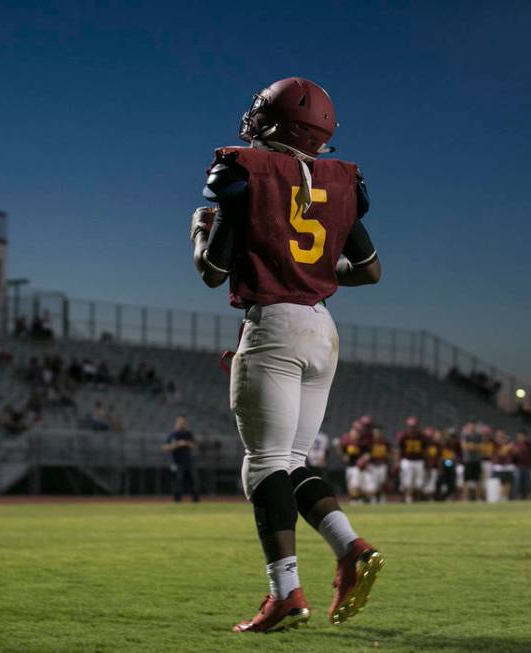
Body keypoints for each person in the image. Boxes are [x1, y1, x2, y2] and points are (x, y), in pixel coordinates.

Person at [191, 77, 383, 632]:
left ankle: (285, 594)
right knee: (292, 461)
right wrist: (319, 274)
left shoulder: (242, 173)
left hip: (272, 323)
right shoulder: (345, 183)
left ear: (275, 123)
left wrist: (198, 234)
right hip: (322, 329)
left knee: (264, 466)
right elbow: (370, 271)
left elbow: (214, 273)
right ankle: (349, 548)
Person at [163, 415, 200, 503]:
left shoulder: (188, 434)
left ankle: (196, 500)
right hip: (177, 462)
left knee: (194, 481)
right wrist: (177, 444)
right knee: (177, 481)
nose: (181, 424)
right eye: (180, 422)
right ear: (176, 422)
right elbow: (165, 447)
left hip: (189, 461)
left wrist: (186, 443)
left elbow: (195, 445)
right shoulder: (172, 434)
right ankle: (177, 500)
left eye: (183, 422)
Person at [396, 416, 426, 504]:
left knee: (419, 483)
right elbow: (398, 450)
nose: (412, 429)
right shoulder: (404, 436)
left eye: (413, 427)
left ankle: (416, 498)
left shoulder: (421, 436)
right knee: (407, 481)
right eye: (410, 427)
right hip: (407, 460)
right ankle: (408, 498)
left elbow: (426, 449)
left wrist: (426, 460)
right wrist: (398, 462)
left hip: (419, 460)